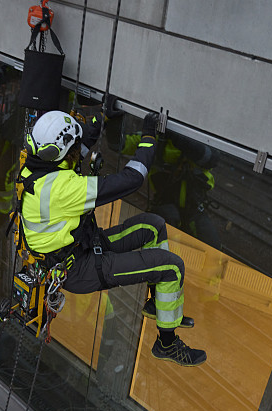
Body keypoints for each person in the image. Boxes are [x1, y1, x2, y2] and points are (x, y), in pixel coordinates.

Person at [19, 110, 206, 366]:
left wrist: (99, 119)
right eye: (75, 146)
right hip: (79, 269)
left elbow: (74, 151)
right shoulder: (63, 189)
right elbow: (133, 178)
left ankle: (156, 303)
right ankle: (167, 343)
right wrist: (148, 136)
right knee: (171, 266)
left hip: (82, 247)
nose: (78, 150)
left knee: (153, 226)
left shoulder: (35, 167)